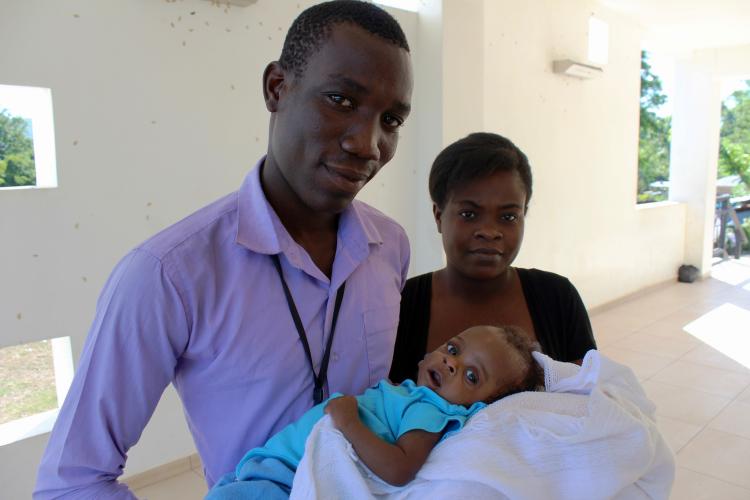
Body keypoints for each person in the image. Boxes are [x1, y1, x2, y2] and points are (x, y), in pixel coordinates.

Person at [34, 2, 413, 498]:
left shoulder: (391, 247)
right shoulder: (168, 274)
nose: (369, 144)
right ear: (277, 88)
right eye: (341, 99)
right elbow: (71, 482)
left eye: (391, 120)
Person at [205, 325, 543, 498]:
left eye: (472, 376)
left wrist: (349, 422)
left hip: (284, 479)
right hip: (271, 470)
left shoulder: (432, 409)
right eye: (453, 348)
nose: (451, 362)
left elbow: (399, 468)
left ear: (480, 406)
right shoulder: (414, 395)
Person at [390, 132, 596, 384]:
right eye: (469, 214)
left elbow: (590, 396)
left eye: (508, 217)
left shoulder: (556, 298)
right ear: (438, 215)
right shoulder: (403, 305)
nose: (489, 232)